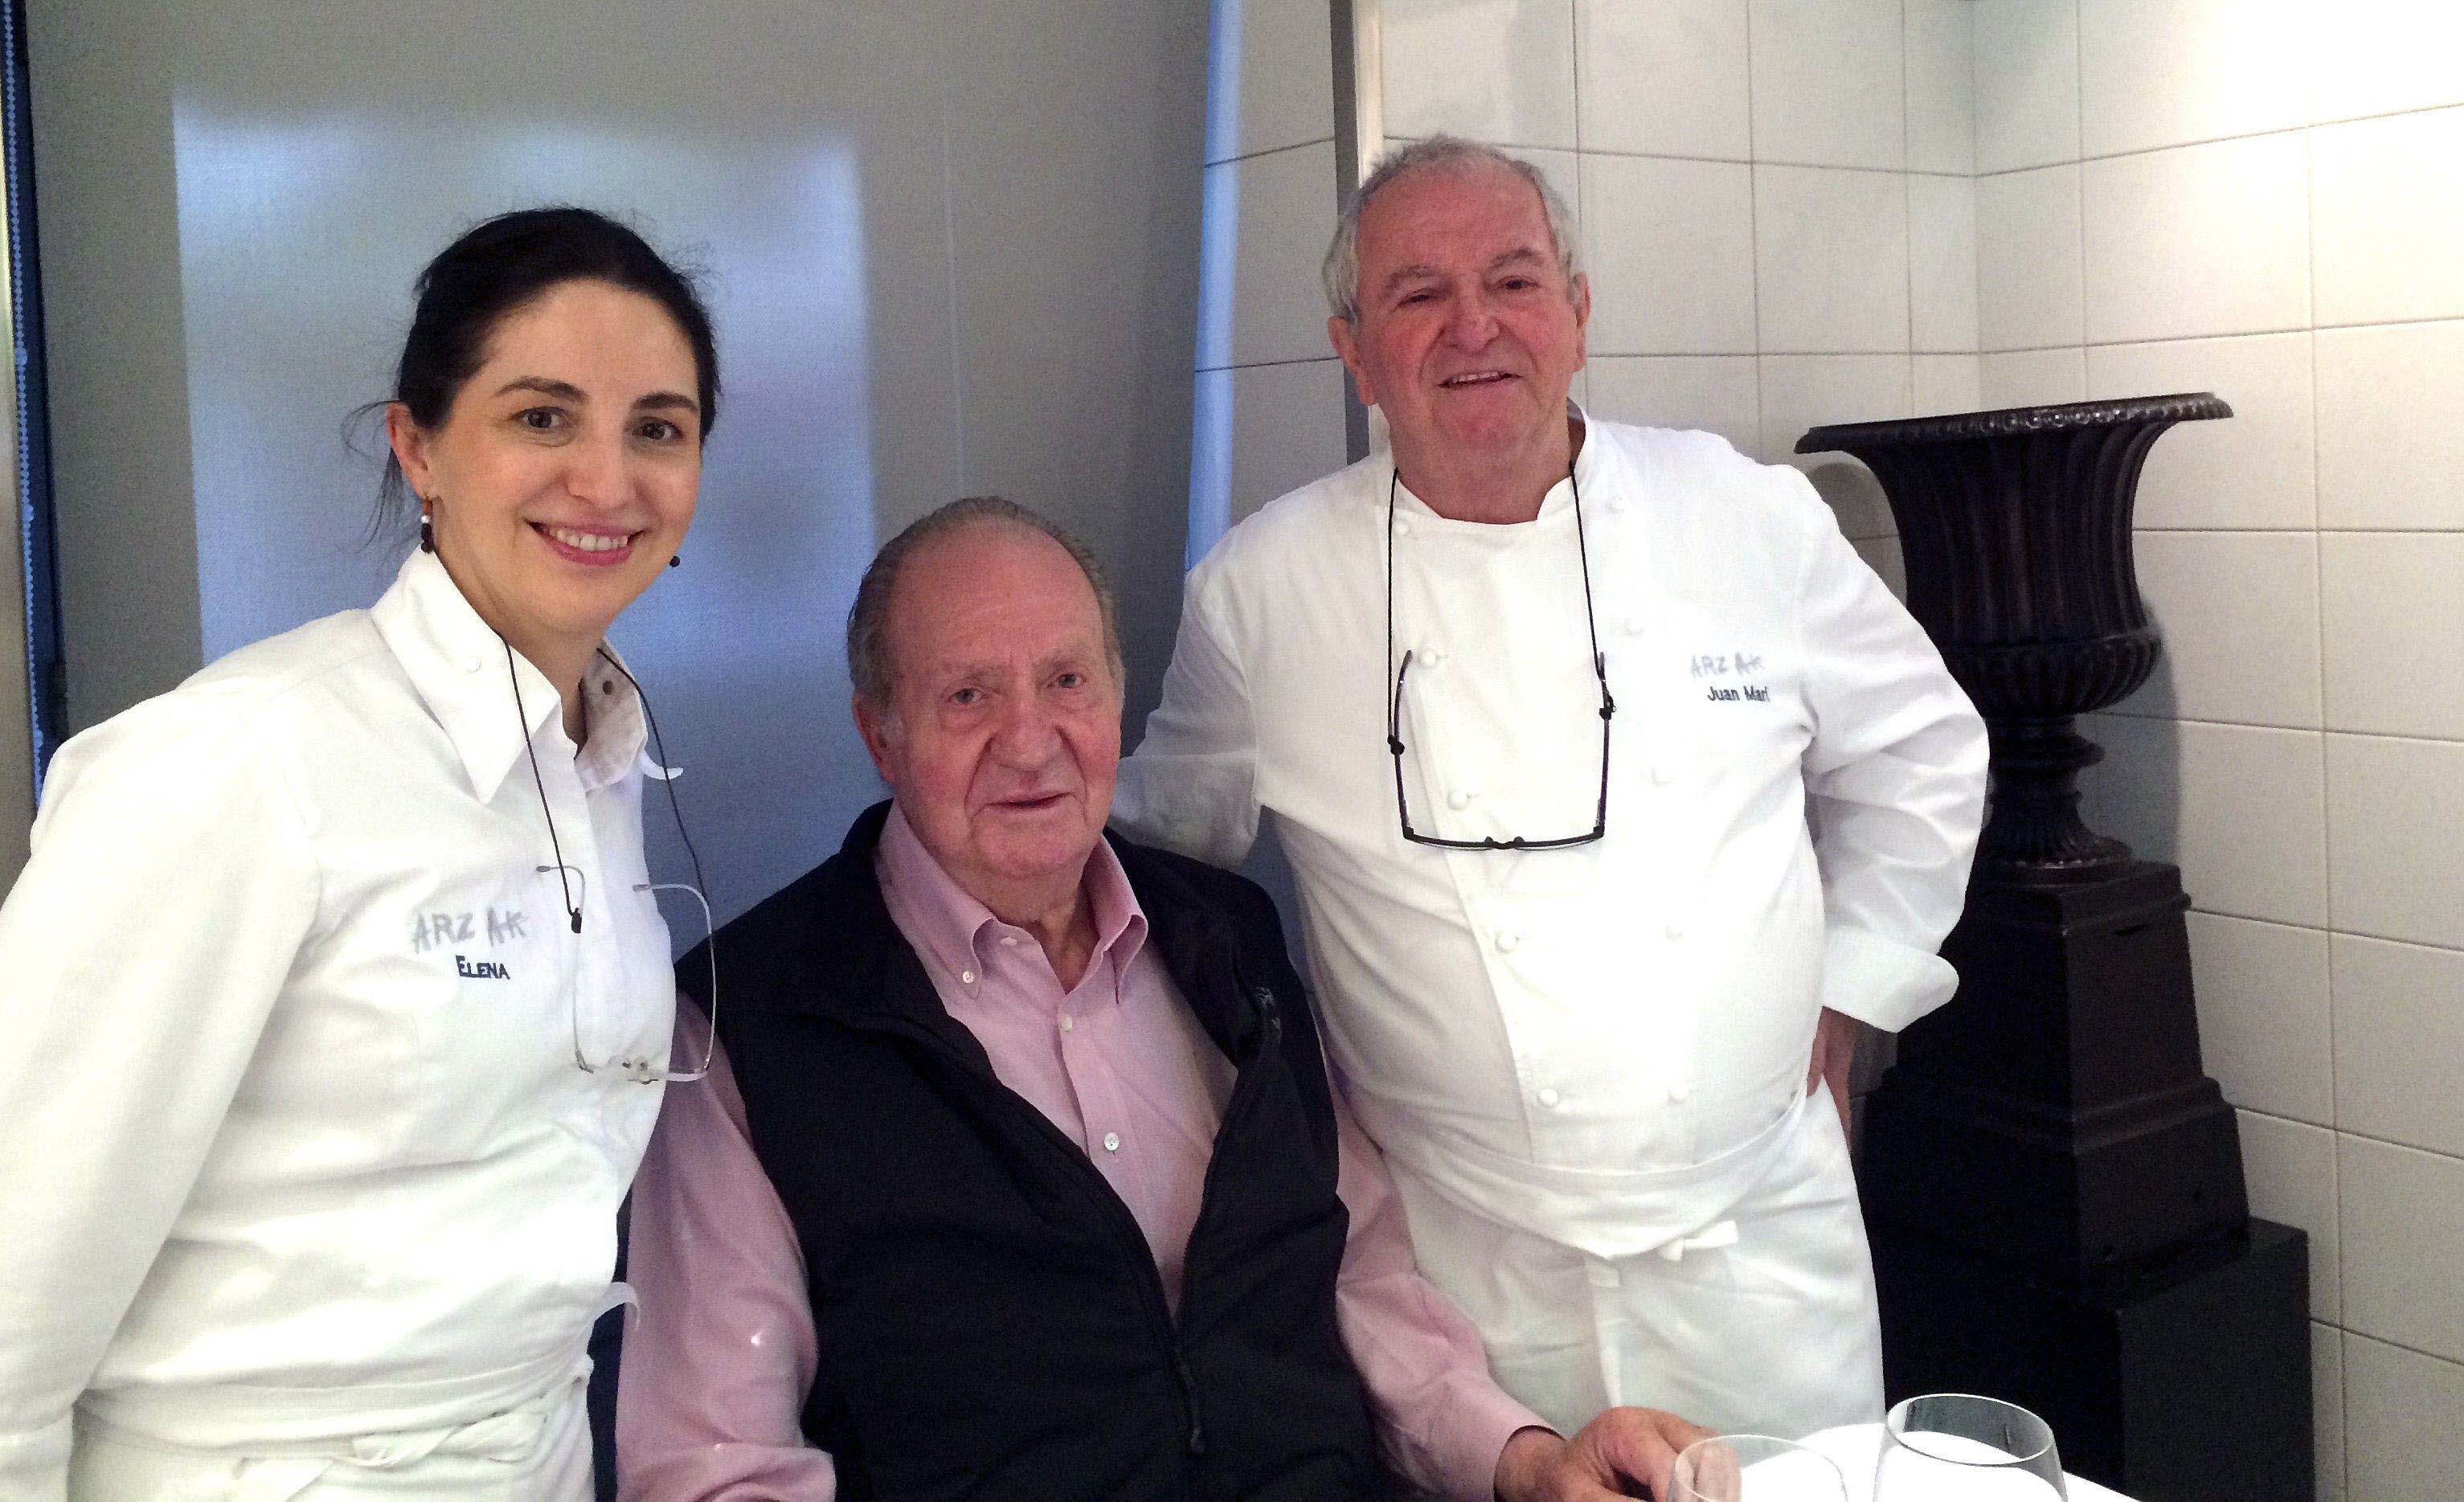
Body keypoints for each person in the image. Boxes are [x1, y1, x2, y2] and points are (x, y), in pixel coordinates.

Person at [1111, 137, 1991, 1441]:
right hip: (1468, 1269)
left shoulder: (1747, 518)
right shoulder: (1261, 594)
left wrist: (1855, 975)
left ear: (1575, 315)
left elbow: (1922, 747)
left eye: (1513, 281)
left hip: (1754, 1253)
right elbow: (1161, 854)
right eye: (1416, 294)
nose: (1474, 327)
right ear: (1351, 347)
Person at [615, 497, 1712, 1502]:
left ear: (1115, 694)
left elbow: (1357, 1276)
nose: (1031, 738)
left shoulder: (1227, 940)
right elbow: (717, 1465)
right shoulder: (750, 1024)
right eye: (966, 695)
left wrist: (1521, 1458)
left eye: (1066, 680)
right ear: (880, 737)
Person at [0, 207, 720, 1500]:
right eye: (542, 417)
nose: (608, 481)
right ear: (419, 446)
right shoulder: (238, 769)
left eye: (656, 428)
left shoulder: (595, 756)